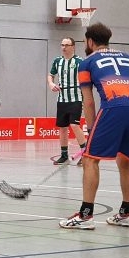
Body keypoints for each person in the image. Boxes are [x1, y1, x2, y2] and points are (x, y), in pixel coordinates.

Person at [59, 23, 129, 230]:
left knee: (90, 159)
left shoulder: (87, 62)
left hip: (114, 105)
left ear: (90, 41)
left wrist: (92, 129)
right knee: (124, 160)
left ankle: (85, 216)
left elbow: (89, 101)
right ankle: (126, 213)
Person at [47, 37, 87, 165]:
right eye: (62, 44)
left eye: (66, 45)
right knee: (62, 128)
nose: (63, 47)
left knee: (74, 125)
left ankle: (85, 153)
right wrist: (51, 84)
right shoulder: (57, 61)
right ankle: (64, 155)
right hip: (62, 99)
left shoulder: (80, 61)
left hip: (76, 98)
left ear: (73, 46)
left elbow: (87, 78)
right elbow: (50, 75)